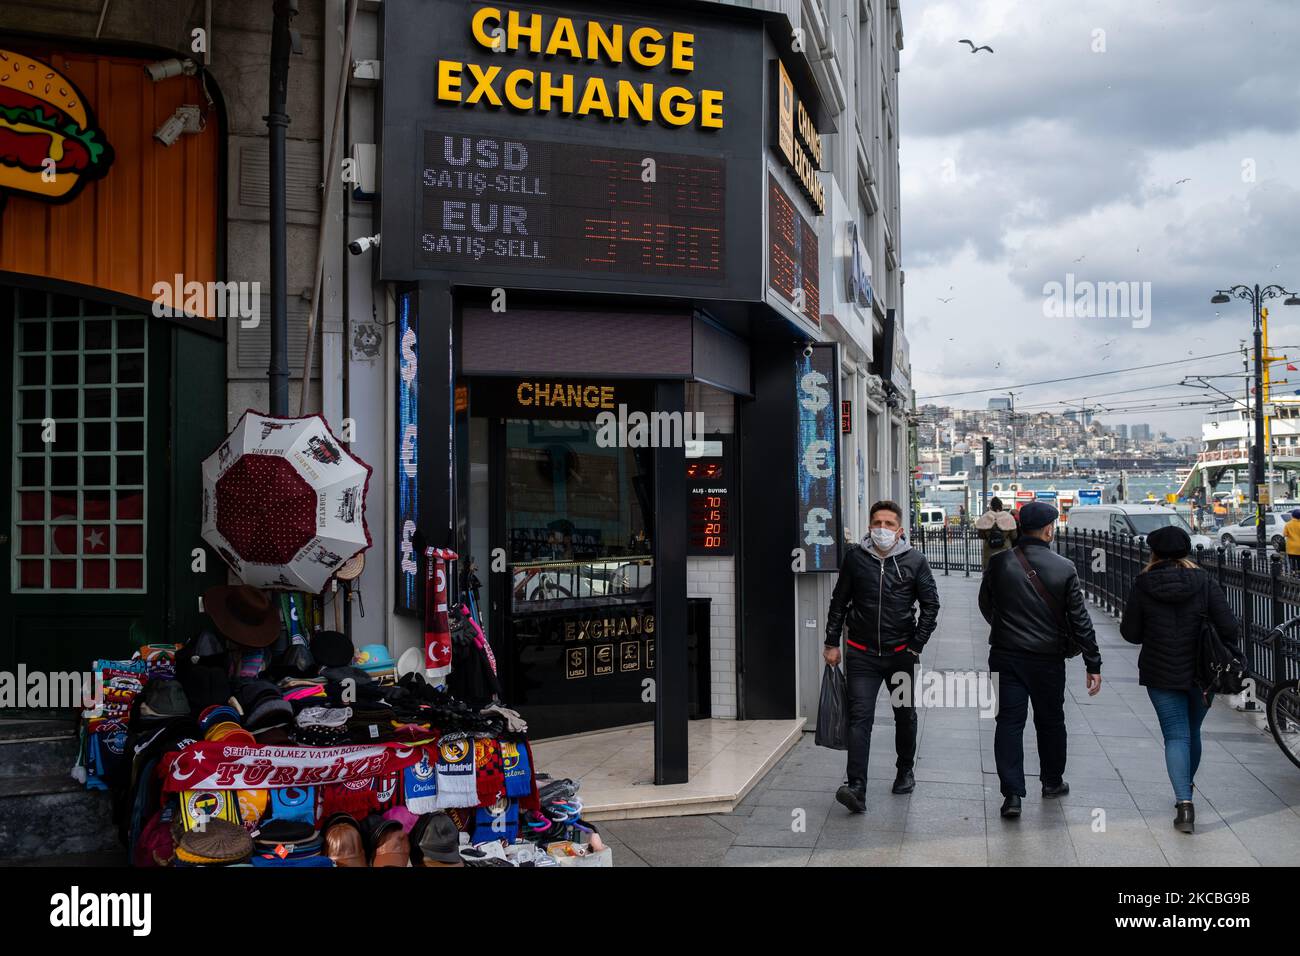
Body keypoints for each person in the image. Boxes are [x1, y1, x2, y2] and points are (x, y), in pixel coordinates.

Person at [979, 501, 1103, 819]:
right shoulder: (1064, 567)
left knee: (1008, 722)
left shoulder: (999, 562)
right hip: (1047, 660)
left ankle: (1012, 796)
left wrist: (1005, 627)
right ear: (1049, 529)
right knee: (1050, 722)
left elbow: (986, 604)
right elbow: (1080, 620)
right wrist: (1093, 663)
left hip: (1005, 656)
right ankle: (1051, 781)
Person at [1120, 526, 1240, 833]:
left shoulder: (1143, 583)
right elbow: (1229, 627)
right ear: (1186, 550)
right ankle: (1185, 787)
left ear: (1154, 552)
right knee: (1193, 731)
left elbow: (1131, 634)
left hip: (1160, 671)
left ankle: (1184, 804)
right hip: (1203, 671)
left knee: (1175, 735)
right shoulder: (1204, 581)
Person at [823, 500, 941, 813]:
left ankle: (905, 770)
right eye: (877, 523)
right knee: (860, 718)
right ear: (869, 526)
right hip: (861, 655)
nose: (882, 529)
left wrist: (916, 645)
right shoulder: (856, 559)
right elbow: (839, 601)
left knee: (905, 714)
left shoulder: (915, 561)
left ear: (900, 530)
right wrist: (831, 642)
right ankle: (856, 786)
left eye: (889, 524)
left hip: (901, 655)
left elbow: (931, 605)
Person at [974, 496, 1018, 570]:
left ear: (991, 506)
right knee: (1005, 572)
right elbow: (1014, 536)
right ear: (1001, 506)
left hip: (989, 550)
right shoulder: (1008, 517)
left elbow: (980, 535)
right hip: (1005, 550)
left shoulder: (985, 517)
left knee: (989, 572)